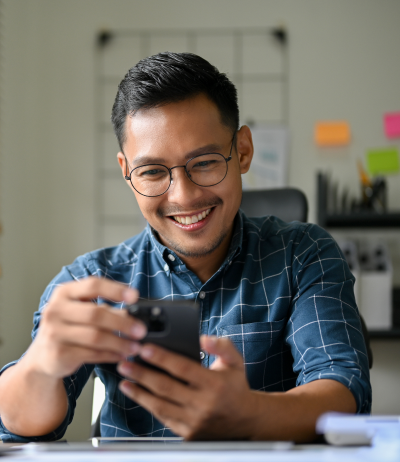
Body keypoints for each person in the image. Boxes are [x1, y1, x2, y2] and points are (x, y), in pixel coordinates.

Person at [0, 52, 371, 443]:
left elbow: (344, 390)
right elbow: (18, 425)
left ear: (242, 150)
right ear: (127, 173)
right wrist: (40, 367)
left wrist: (247, 415)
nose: (184, 196)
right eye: (153, 172)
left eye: (205, 162)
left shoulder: (304, 254)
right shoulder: (90, 282)